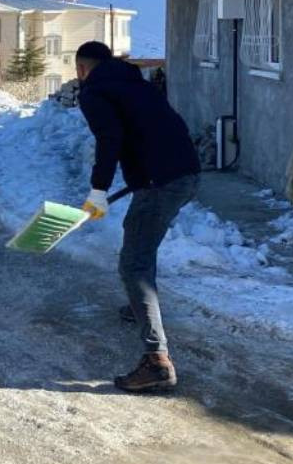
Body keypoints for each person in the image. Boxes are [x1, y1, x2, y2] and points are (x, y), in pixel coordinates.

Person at [74, 41, 200, 392]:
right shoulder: (135, 83)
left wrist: (98, 188)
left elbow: (109, 139)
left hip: (161, 182)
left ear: (81, 69)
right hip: (187, 172)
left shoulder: (94, 92)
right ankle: (140, 306)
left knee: (134, 264)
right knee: (140, 238)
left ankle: (157, 361)